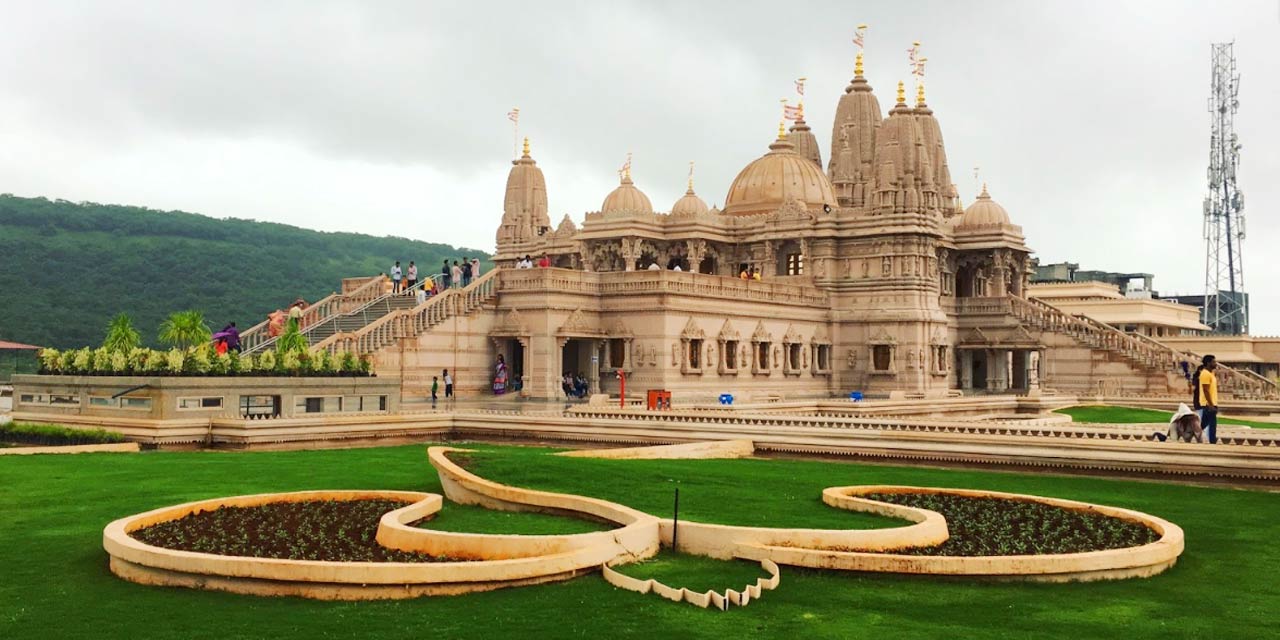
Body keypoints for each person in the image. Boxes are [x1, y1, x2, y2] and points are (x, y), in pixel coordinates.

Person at [1192, 355, 1220, 444]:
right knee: (1212, 425)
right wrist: (1211, 404)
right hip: (1208, 404)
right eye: (1214, 362)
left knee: (1202, 425)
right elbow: (1205, 390)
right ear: (1208, 363)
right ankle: (1212, 442)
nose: (1215, 364)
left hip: (1211, 403)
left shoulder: (1210, 374)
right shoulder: (1205, 374)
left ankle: (1187, 434)